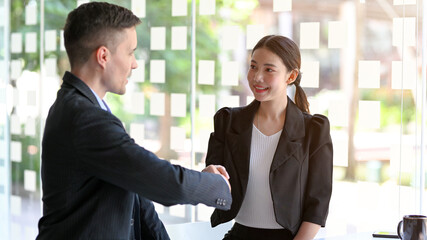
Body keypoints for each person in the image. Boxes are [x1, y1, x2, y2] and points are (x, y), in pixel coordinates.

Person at [36, 2, 231, 240]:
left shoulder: (87, 109)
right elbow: (162, 181)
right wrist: (216, 184)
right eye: (130, 52)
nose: (135, 63)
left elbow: (136, 192)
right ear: (103, 56)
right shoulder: (85, 118)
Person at [205, 35, 333, 240]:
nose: (257, 77)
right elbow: (214, 187)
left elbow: (317, 206)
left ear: (291, 76)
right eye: (253, 66)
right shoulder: (227, 121)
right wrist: (207, 177)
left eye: (269, 70)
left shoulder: (314, 130)